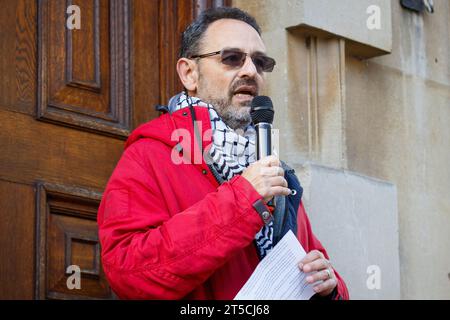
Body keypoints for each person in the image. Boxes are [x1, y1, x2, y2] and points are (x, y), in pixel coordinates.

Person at [97, 7, 349, 300]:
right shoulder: (150, 154)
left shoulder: (276, 173)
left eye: (260, 61)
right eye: (232, 58)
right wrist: (243, 199)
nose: (250, 71)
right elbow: (128, 271)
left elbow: (315, 264)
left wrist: (329, 287)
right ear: (189, 73)